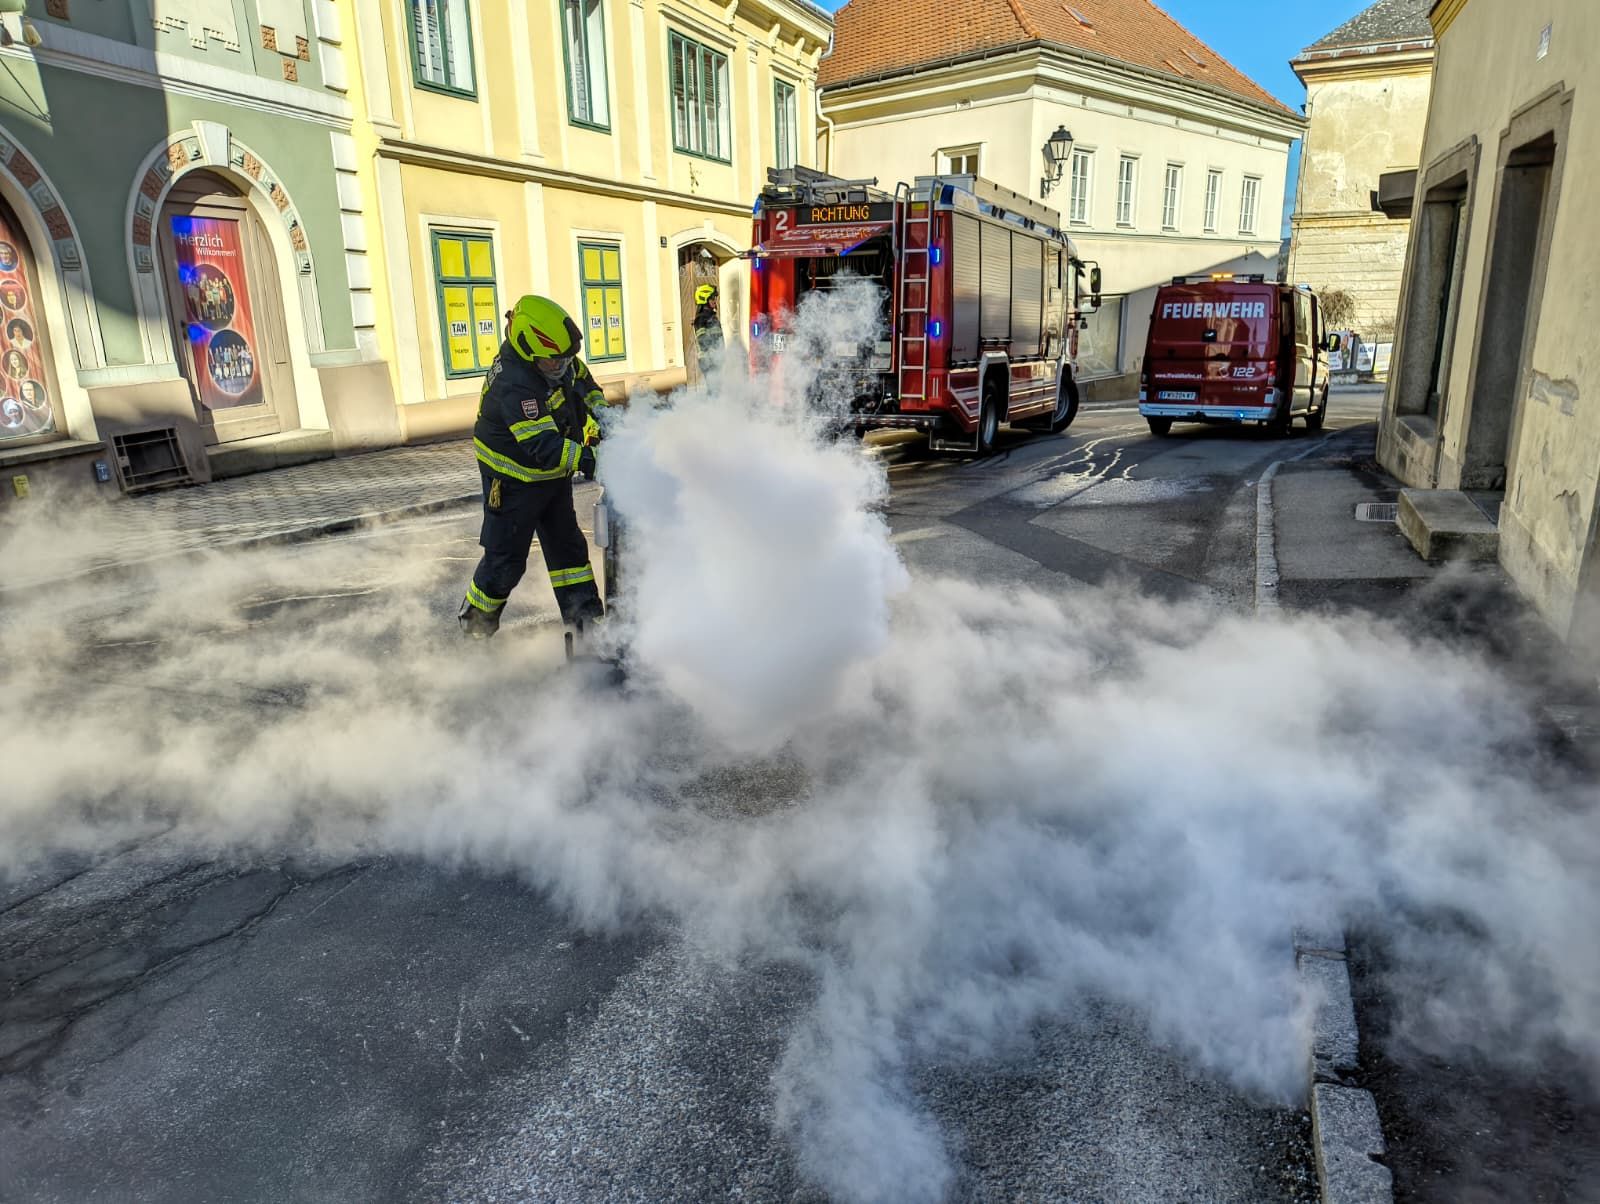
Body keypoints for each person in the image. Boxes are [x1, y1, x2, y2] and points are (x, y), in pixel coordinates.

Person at [458, 294, 608, 639]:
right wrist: (593, 461)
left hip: (551, 478)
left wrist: (602, 413)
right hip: (513, 483)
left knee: (569, 553)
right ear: (529, 351)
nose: (562, 366)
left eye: (566, 358)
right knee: (506, 563)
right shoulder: (515, 384)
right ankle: (475, 629)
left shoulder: (553, 360)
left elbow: (581, 380)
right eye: (554, 361)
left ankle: (586, 628)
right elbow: (544, 445)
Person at [692, 283, 723, 372]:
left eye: (715, 298)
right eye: (712, 298)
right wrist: (716, 355)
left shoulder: (711, 317)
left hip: (716, 360)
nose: (715, 301)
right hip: (709, 362)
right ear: (704, 299)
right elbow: (703, 341)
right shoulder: (701, 318)